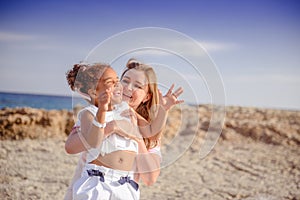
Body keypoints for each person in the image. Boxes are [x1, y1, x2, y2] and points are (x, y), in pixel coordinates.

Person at [64, 59, 184, 199]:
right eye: (125, 81)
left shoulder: (144, 127)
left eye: (138, 86)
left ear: (147, 97)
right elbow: (70, 147)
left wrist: (137, 135)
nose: (128, 88)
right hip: (94, 187)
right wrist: (112, 126)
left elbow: (150, 178)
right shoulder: (96, 113)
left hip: (123, 190)